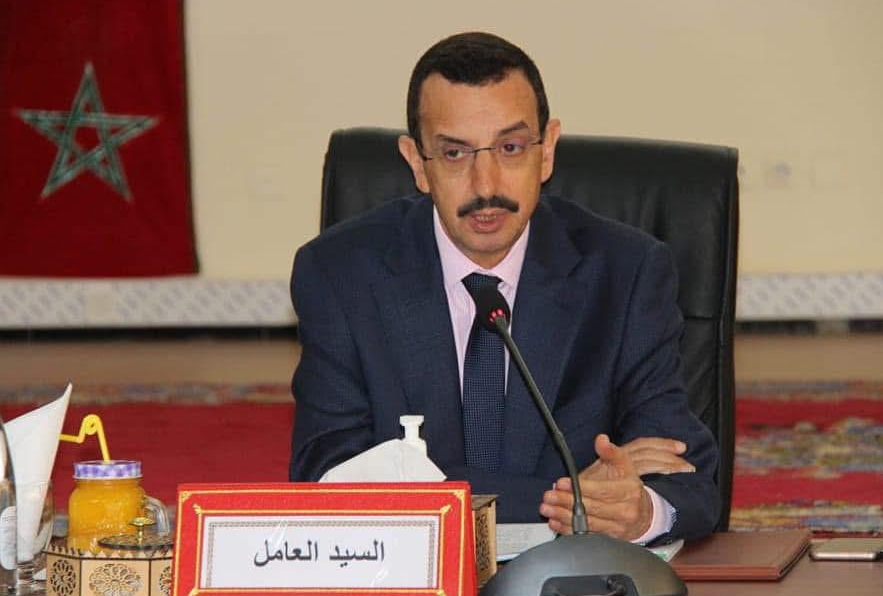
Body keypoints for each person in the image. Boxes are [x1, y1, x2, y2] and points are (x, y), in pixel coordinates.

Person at [290, 32, 719, 543]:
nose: (486, 185)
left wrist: (640, 510)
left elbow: (687, 478)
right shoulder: (340, 274)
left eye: (511, 148)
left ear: (547, 150)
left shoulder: (625, 274)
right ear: (417, 164)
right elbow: (326, 475)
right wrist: (569, 494)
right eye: (454, 153)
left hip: (572, 585)